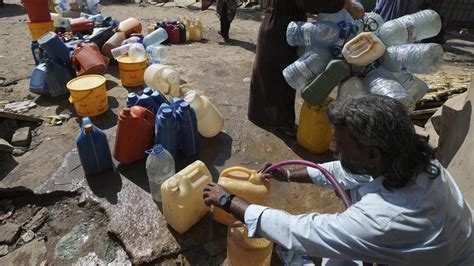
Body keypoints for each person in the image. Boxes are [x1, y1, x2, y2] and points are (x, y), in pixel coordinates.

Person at [204, 95, 474, 265]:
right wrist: (286, 174)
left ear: (372, 154)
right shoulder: (413, 159)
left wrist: (228, 200)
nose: (332, 146)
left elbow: (300, 231)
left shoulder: (386, 219)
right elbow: (345, 171)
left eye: (340, 144)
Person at [247, 0, 364, 137]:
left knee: (268, 74)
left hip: (278, 26)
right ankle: (279, 122)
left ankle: (260, 116)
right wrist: (345, 4)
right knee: (279, 78)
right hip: (281, 31)